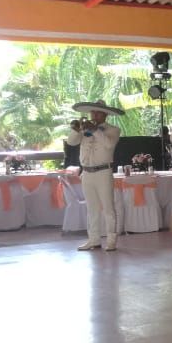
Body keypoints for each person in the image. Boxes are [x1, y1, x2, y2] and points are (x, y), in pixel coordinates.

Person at [66, 100, 123, 251]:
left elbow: (109, 144)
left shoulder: (113, 130)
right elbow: (71, 142)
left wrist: (96, 130)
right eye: (93, 112)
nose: (94, 115)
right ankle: (94, 240)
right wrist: (76, 130)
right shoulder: (84, 130)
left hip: (104, 172)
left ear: (105, 115)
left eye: (98, 112)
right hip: (87, 172)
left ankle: (111, 240)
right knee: (92, 209)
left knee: (108, 208)